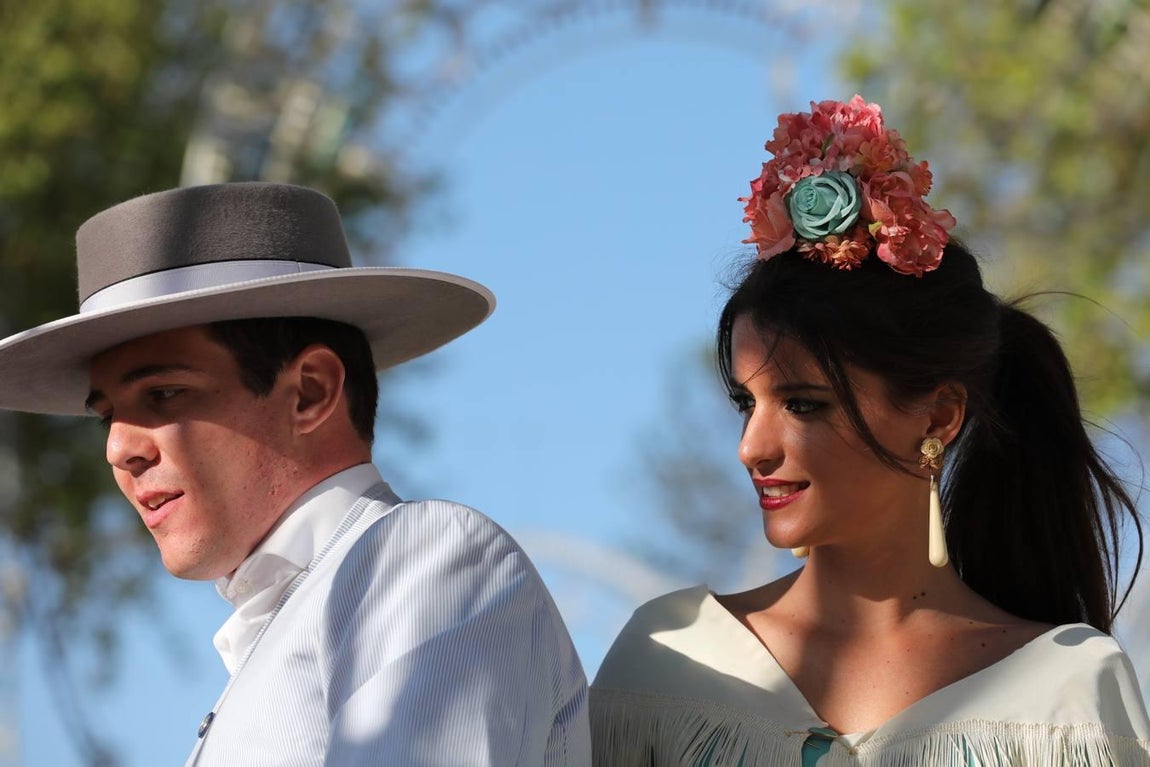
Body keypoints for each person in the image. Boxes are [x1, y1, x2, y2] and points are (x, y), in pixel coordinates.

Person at [589, 97, 1150, 765]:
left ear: (939, 415)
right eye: (747, 402)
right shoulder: (666, 664)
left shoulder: (1065, 699)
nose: (752, 447)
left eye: (803, 403)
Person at [0, 182, 590, 766]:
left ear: (310, 392)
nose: (118, 449)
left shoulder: (419, 558)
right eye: (106, 416)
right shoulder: (310, 607)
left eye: (164, 393)